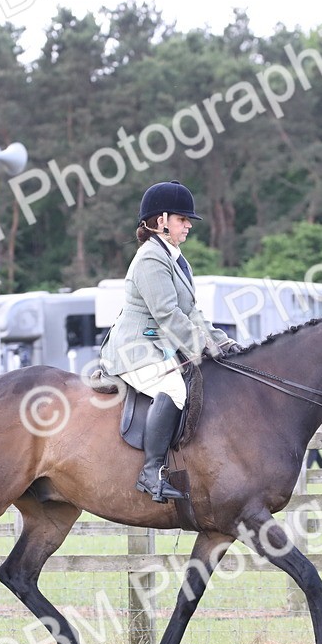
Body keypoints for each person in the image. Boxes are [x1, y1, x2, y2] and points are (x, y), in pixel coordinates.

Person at [99, 180, 238, 502]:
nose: (188, 225)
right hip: (134, 349)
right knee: (173, 389)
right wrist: (203, 348)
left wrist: (223, 343)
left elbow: (191, 311)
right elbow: (167, 314)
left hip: (157, 347)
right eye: (181, 219)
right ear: (161, 221)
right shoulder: (150, 258)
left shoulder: (175, 258)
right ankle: (151, 473)